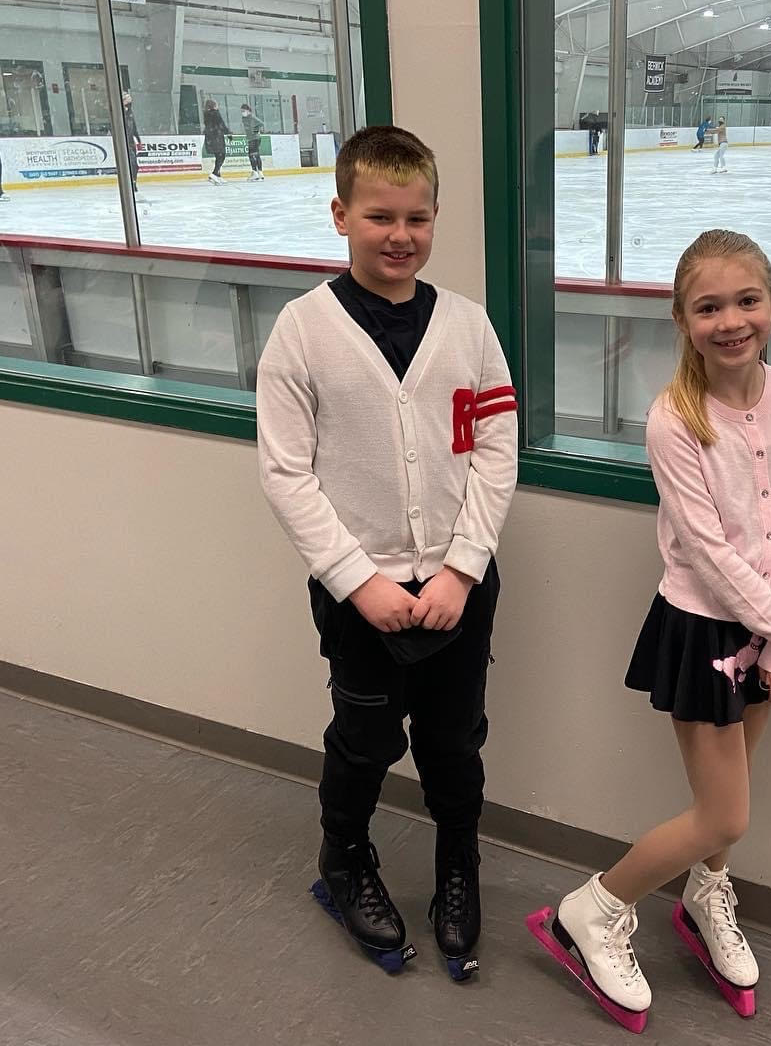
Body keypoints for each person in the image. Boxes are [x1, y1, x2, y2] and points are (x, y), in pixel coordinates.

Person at [529, 229, 771, 1031]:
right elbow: (710, 551)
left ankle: (704, 896)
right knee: (724, 813)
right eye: (709, 307)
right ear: (681, 318)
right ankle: (587, 913)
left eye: (746, 300)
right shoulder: (675, 419)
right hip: (704, 631)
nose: (730, 320)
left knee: (735, 790)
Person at [256, 125, 518, 981]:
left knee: (453, 740)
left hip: (458, 586)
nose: (399, 234)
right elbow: (288, 474)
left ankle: (456, 864)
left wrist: (461, 567)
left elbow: (495, 451)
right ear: (341, 215)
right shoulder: (302, 332)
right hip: (358, 596)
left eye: (417, 217)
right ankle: (344, 855)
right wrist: (358, 580)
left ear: (436, 218)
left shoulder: (470, 329)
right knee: (364, 737)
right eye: (379, 216)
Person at [121, 91, 144, 198]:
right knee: (132, 164)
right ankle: (130, 182)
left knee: (135, 166)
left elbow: (134, 128)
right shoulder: (121, 114)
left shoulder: (130, 113)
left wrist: (139, 140)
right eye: (128, 100)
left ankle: (133, 181)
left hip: (131, 143)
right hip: (124, 143)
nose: (130, 102)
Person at [202, 99, 230, 184]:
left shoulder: (206, 114)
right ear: (214, 105)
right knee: (222, 155)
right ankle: (214, 174)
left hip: (210, 137)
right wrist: (228, 133)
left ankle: (218, 175)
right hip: (217, 137)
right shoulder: (216, 113)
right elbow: (221, 124)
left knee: (218, 155)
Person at [240, 103, 266, 181]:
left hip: (255, 138)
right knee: (256, 154)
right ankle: (259, 172)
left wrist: (255, 131)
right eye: (241, 111)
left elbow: (261, 123)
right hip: (250, 139)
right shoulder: (243, 118)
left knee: (252, 155)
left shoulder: (252, 117)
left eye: (243, 111)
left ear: (248, 110)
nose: (242, 112)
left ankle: (255, 172)